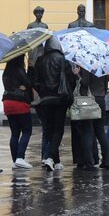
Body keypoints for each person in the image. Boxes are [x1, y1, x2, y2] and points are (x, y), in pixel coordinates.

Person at [32, 37, 75, 172]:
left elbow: (35, 81)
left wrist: (42, 92)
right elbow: (71, 81)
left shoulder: (40, 60)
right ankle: (50, 157)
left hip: (45, 100)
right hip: (60, 99)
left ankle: (55, 161)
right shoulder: (63, 60)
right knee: (58, 130)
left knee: (49, 130)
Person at [1, 56, 34, 170]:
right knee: (27, 131)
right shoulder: (19, 70)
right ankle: (20, 158)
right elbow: (29, 83)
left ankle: (15, 160)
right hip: (19, 103)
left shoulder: (6, 72)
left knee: (14, 133)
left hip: (7, 102)